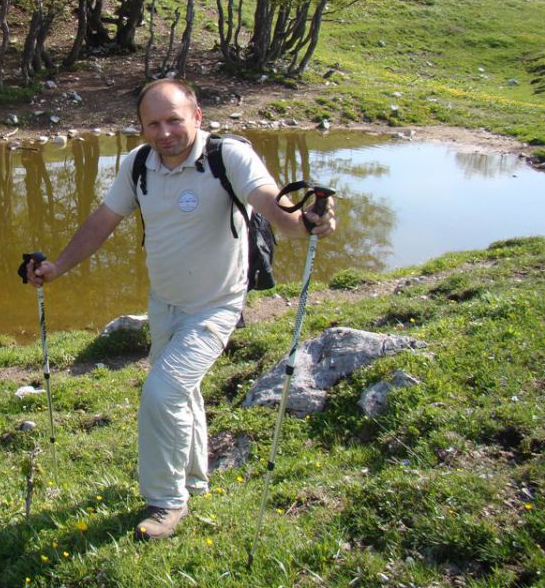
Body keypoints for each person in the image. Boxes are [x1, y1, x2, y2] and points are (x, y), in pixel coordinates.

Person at [25, 78, 337, 540]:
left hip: (216, 305)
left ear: (197, 116)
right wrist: (58, 267)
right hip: (163, 303)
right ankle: (195, 480)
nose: (164, 132)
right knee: (181, 392)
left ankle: (167, 503)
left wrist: (306, 223)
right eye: (153, 123)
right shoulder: (138, 165)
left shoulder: (226, 157)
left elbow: (272, 205)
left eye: (174, 119)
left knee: (162, 392)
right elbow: (102, 222)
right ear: (142, 127)